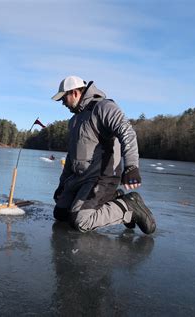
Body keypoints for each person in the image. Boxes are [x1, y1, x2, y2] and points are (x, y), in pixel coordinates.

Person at [51, 75, 156, 234]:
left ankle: (128, 207)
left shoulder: (103, 107)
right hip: (81, 177)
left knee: (80, 221)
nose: (62, 103)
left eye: (63, 98)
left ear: (75, 93)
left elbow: (127, 133)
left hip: (102, 176)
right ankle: (112, 197)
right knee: (60, 214)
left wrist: (131, 166)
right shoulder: (74, 121)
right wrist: (62, 183)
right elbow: (71, 156)